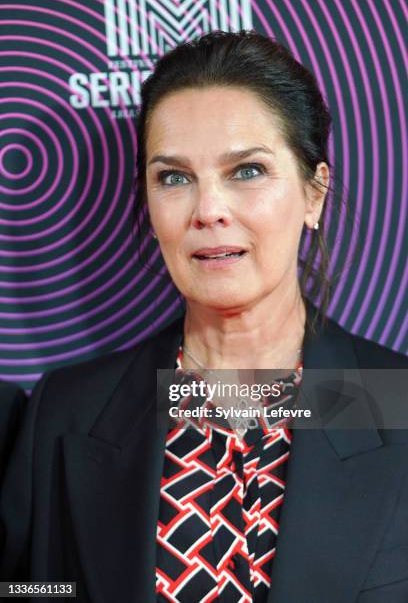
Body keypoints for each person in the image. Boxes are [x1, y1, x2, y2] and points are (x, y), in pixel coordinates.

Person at [1, 31, 407, 603]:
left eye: (247, 171)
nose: (208, 210)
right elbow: (35, 590)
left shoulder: (400, 403)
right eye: (174, 177)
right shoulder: (67, 415)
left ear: (314, 192)